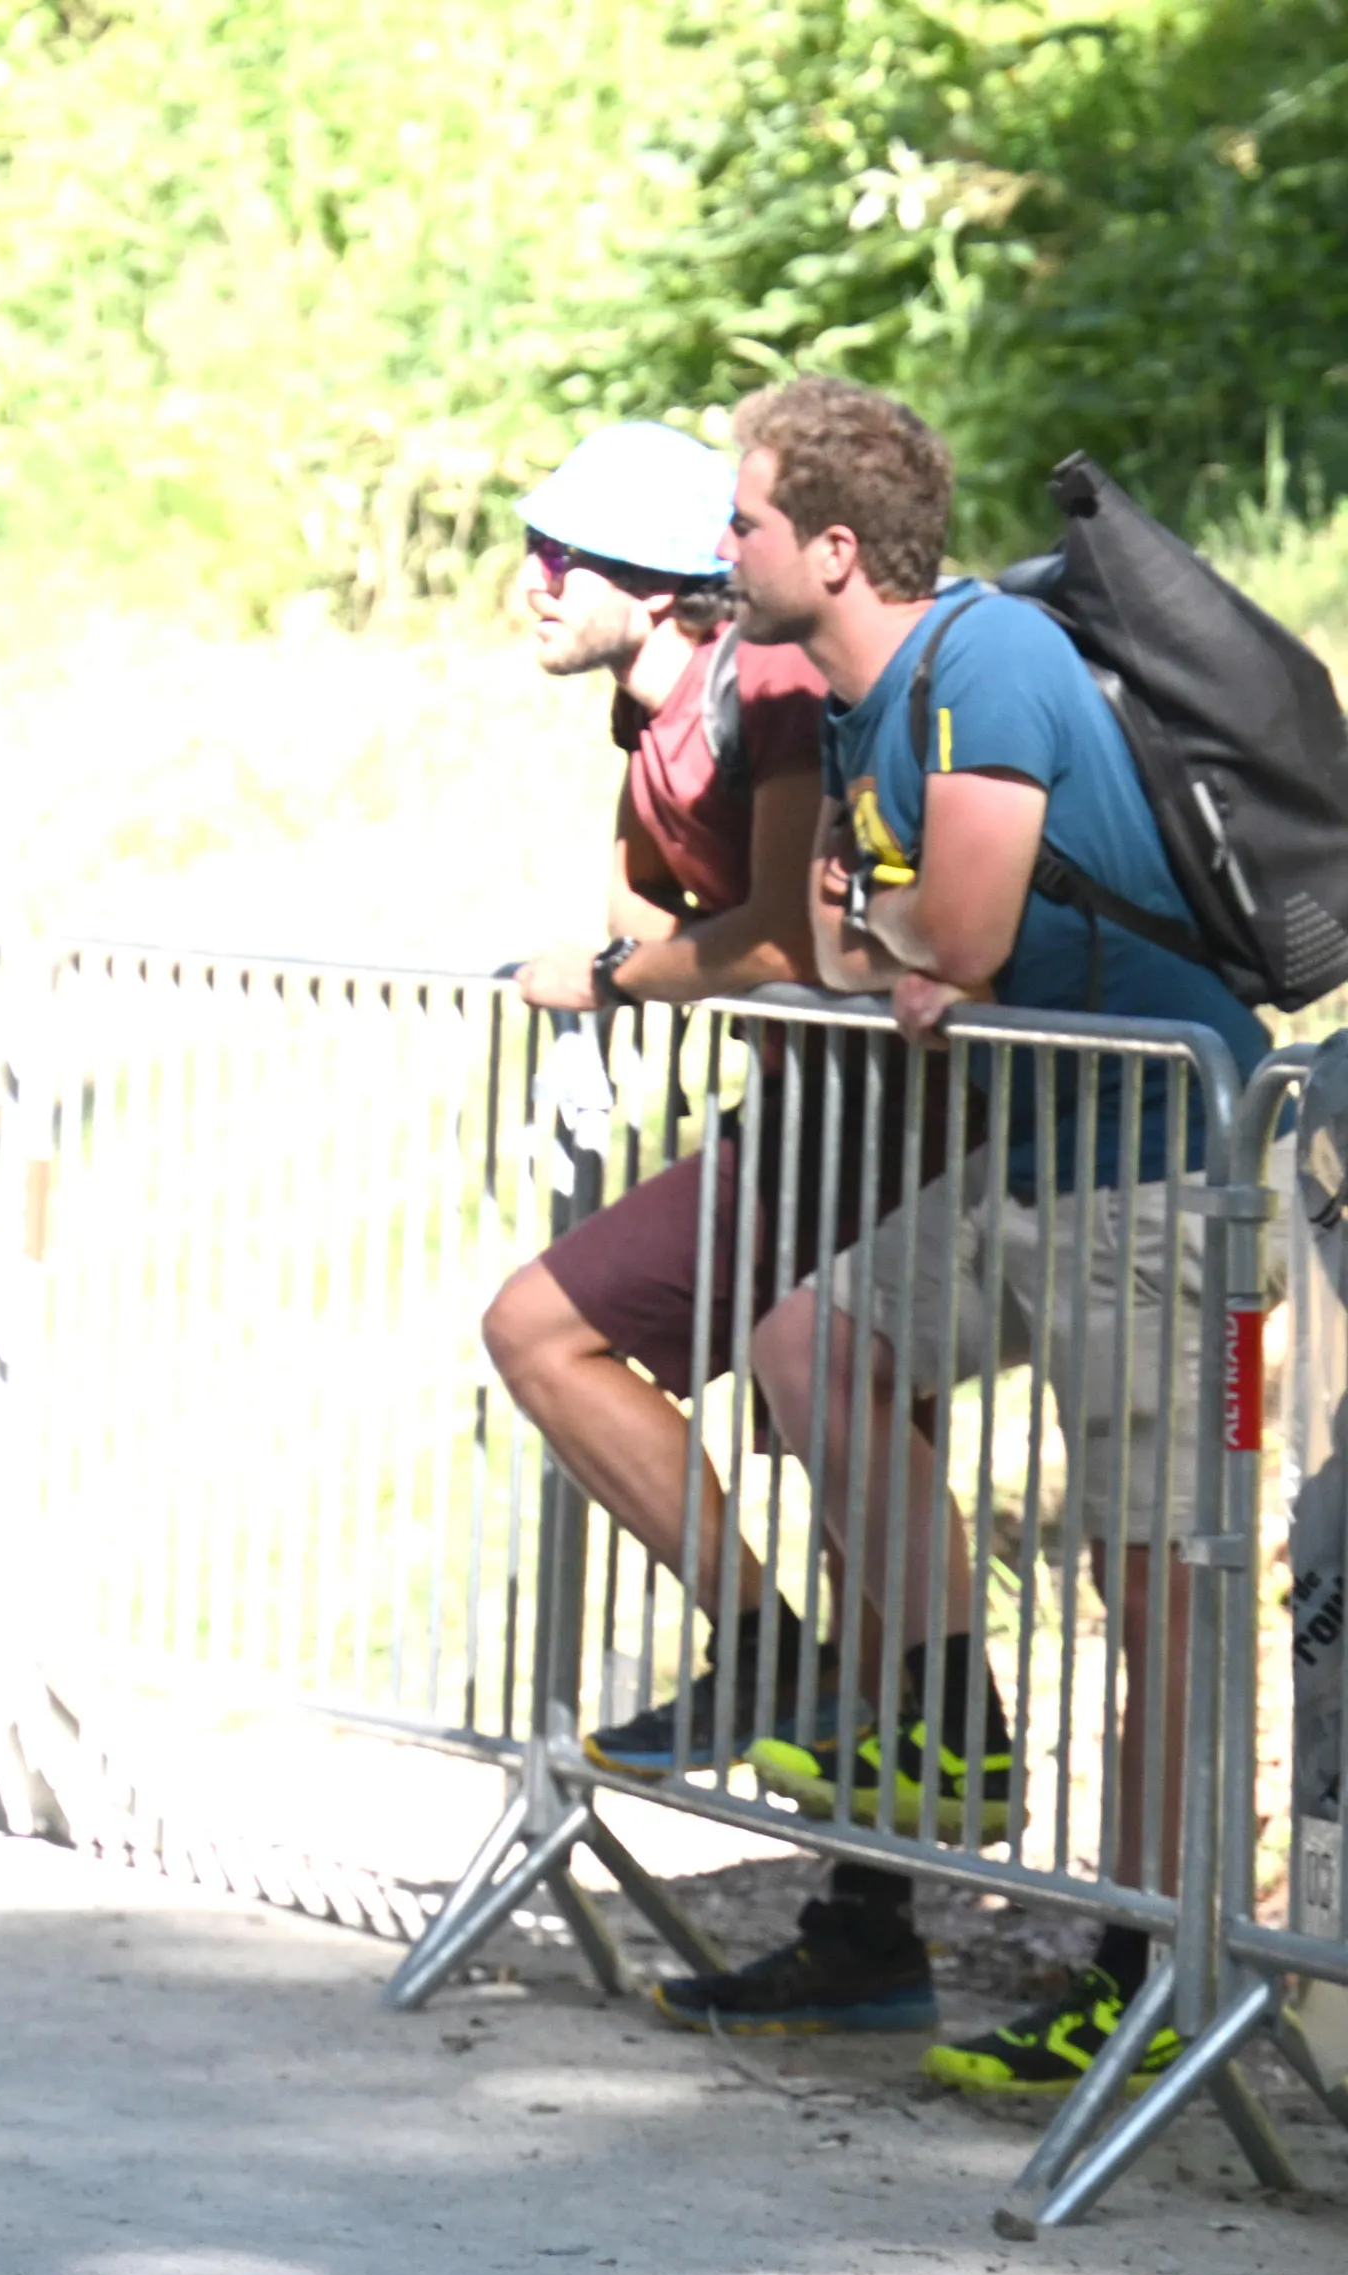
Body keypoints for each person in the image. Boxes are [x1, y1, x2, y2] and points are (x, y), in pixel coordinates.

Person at [718, 376, 1263, 2096]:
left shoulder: (991, 660)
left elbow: (953, 926)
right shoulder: (877, 705)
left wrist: (897, 941)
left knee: (1157, 1581)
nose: (718, 550)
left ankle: (1151, 1971)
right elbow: (863, 954)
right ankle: (957, 1725)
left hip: (1170, 1166)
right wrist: (899, 948)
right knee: (810, 1345)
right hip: (1037, 1157)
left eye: (738, 522)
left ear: (833, 546)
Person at [460, 424, 956, 2033]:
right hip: (809, 1122)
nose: (529, 586)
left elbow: (785, 948)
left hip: (877, 1128)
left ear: (669, 583)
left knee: (541, 1326)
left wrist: (606, 988)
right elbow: (646, 899)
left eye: (564, 560)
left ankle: (767, 1662)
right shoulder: (663, 705)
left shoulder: (776, 693)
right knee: (863, 1510)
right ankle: (867, 1928)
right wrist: (623, 960)